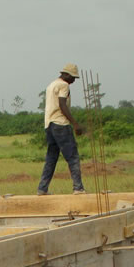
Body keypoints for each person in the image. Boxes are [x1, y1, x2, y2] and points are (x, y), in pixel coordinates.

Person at [37, 63, 85, 195]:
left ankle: (42, 188)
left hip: (49, 125)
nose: (73, 81)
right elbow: (62, 105)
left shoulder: (51, 84)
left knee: (51, 158)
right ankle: (78, 188)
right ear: (67, 75)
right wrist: (75, 124)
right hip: (61, 125)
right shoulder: (64, 85)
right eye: (73, 77)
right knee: (73, 156)